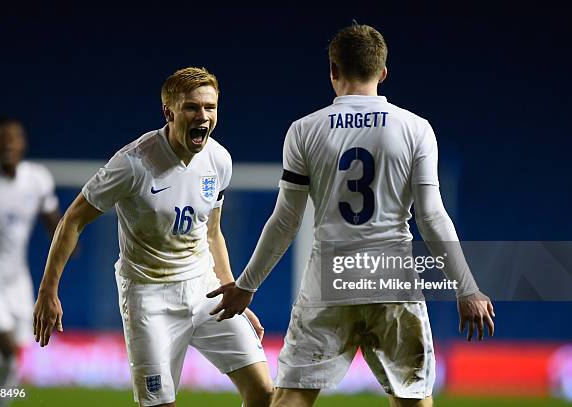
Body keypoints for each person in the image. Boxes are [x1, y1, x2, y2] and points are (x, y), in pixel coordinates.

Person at [207, 24, 496, 407]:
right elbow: (431, 216)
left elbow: (285, 220)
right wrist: (467, 287)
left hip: (329, 277)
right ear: (382, 72)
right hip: (392, 279)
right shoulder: (415, 129)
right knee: (411, 396)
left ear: (333, 70)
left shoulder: (305, 130)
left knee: (292, 396)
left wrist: (246, 284)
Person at [33, 67, 273, 407]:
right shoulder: (133, 163)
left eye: (210, 107)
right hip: (148, 295)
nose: (202, 116)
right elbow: (72, 220)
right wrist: (48, 291)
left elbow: (212, 230)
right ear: (169, 112)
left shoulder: (219, 159)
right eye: (192, 107)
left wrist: (231, 289)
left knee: (264, 393)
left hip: (204, 287)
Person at [0, 118, 60, 399]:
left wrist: (66, 240)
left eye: (13, 137)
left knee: (14, 356)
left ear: (23, 143)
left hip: (16, 279)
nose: (8, 143)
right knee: (6, 349)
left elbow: (51, 217)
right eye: (1, 138)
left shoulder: (37, 179)